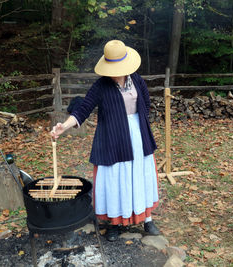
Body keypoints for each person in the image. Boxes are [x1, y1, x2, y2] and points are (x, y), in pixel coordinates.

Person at [50, 40, 160, 241]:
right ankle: (114, 223)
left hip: (137, 137)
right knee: (115, 180)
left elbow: (146, 103)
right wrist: (63, 126)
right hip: (111, 139)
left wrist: (138, 126)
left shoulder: (136, 79)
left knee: (140, 176)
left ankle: (147, 219)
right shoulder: (101, 86)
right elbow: (83, 109)